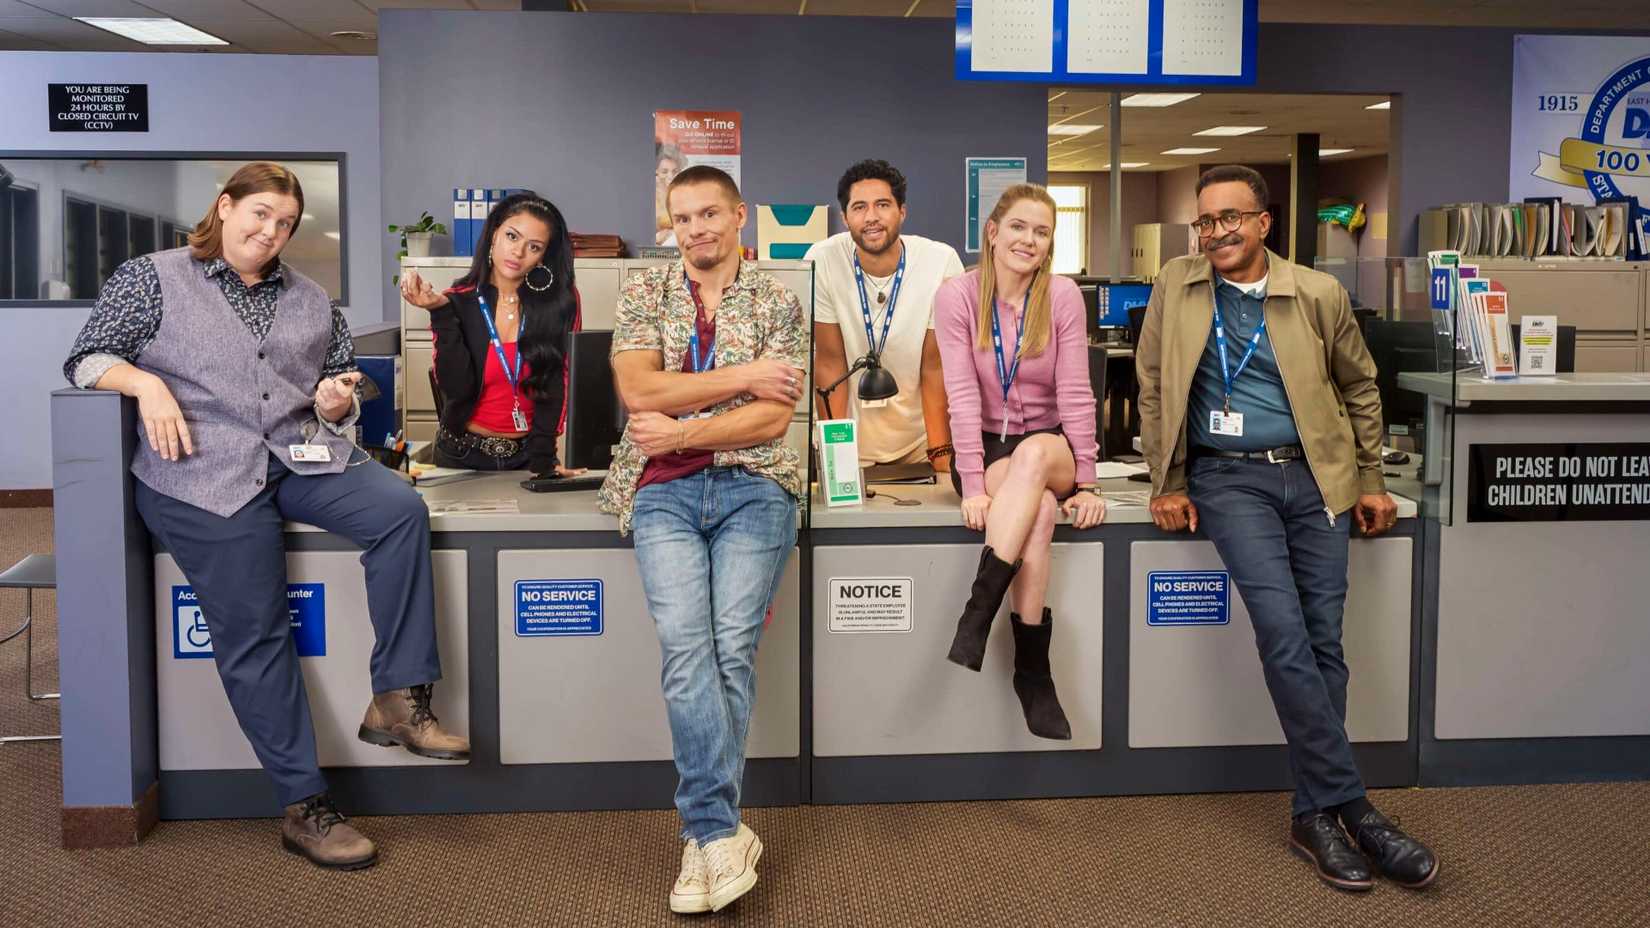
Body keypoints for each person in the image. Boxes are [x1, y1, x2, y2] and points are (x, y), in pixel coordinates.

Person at [62, 162, 467, 871]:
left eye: (285, 223)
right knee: (257, 627)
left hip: (296, 455)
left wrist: (338, 400)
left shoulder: (311, 299)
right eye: (260, 215)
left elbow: (339, 384)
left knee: (399, 508)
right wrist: (145, 383)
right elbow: (86, 359)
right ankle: (304, 805)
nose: (271, 232)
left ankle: (399, 696)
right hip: (198, 472)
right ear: (225, 207)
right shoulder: (150, 278)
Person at [1136, 164, 1439, 892]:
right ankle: (1357, 809)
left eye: (1230, 218)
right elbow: (1153, 385)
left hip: (1316, 477)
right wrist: (1166, 481)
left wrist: (1370, 479)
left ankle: (1313, 814)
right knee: (1283, 633)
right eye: (1205, 221)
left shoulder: (1317, 292)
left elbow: (1360, 387)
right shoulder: (1176, 284)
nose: (1216, 233)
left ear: (1263, 223)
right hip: (1228, 478)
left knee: (1323, 642)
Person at [599, 165, 806, 914]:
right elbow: (639, 391)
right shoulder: (644, 293)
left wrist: (684, 426)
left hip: (757, 487)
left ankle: (704, 836)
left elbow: (773, 420)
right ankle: (719, 833)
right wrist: (747, 377)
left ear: (739, 215)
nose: (696, 230)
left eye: (709, 214)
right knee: (688, 647)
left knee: (730, 647)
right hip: (662, 493)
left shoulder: (779, 301)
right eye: (683, 218)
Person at [935, 183, 1106, 741]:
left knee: (1033, 456)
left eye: (1041, 232)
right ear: (992, 232)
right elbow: (961, 396)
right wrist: (971, 484)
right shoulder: (958, 297)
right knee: (1040, 513)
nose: (1029, 240)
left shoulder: (1061, 296)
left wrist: (1087, 481)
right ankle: (1033, 669)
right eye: (1018, 227)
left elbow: (1076, 392)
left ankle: (978, 611)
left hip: (1049, 445)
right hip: (987, 446)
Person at [400, 192, 585, 475]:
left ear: (543, 257)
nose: (518, 252)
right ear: (494, 234)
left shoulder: (560, 303)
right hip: (460, 455)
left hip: (527, 457)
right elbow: (455, 388)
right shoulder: (457, 300)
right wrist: (440, 312)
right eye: (512, 236)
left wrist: (544, 459)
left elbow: (557, 382)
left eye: (534, 246)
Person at [807, 159, 964, 470]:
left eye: (883, 205)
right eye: (859, 207)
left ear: (902, 211)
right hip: (850, 442)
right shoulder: (823, 259)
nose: (871, 217)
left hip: (920, 444)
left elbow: (935, 368)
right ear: (845, 217)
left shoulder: (941, 263)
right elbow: (829, 362)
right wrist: (837, 461)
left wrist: (941, 457)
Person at [655, 142, 684, 246]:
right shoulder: (651, 194)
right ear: (656, 171)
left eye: (675, 171)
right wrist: (657, 237)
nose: (671, 176)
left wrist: (671, 232)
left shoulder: (683, 192)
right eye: (664, 171)